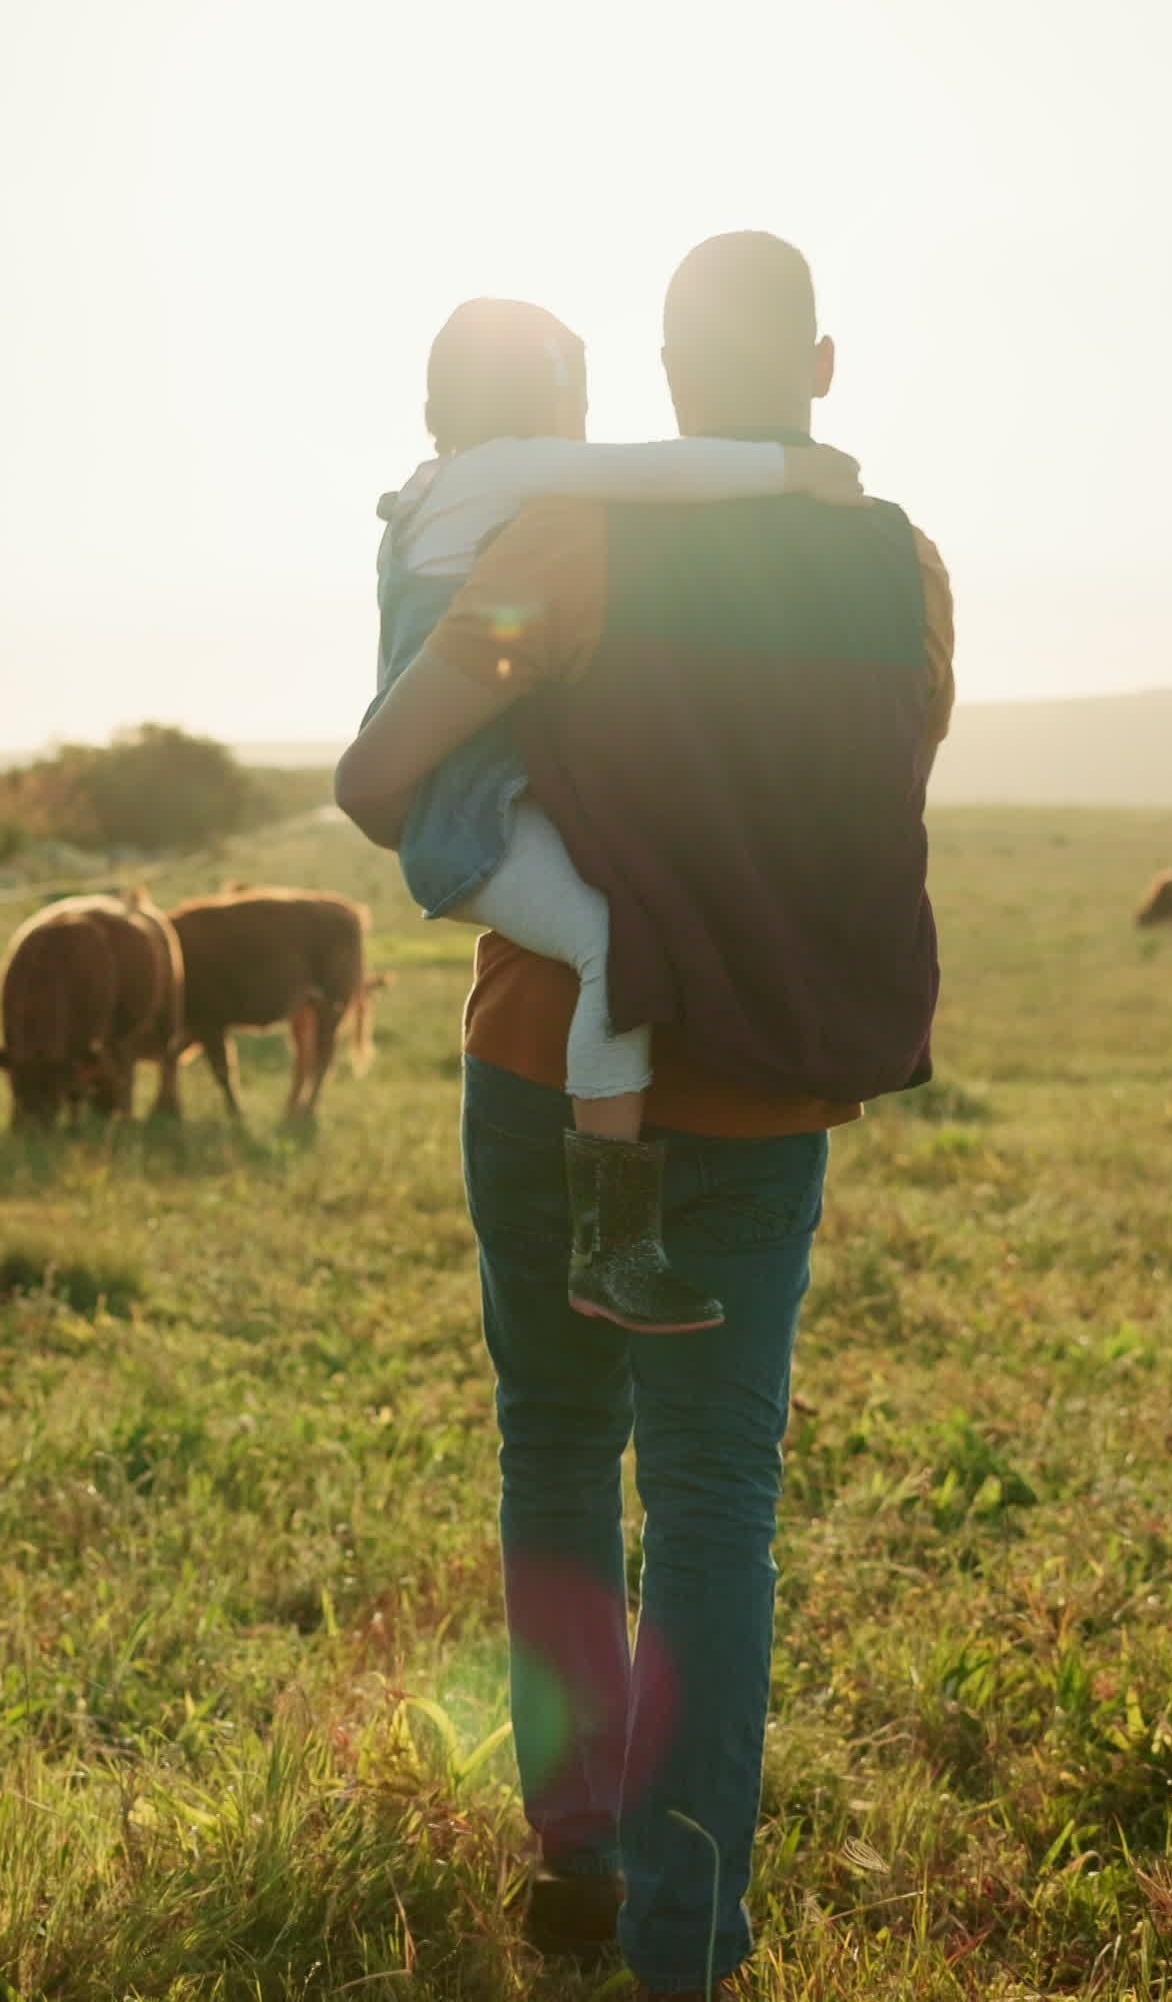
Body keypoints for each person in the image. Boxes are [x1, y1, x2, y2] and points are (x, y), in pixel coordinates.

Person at [337, 232, 952, 1999]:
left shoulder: (570, 536)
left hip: (546, 1069)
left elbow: (384, 779)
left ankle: (574, 1869)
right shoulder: (904, 570)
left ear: (660, 388)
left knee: (554, 1452)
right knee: (713, 1511)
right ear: (816, 371)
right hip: (766, 1088)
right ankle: (687, 1956)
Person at [369, 296, 862, 1333]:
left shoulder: (433, 490)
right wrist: (791, 473)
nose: (588, 424)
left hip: (483, 795)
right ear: (541, 401)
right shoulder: (506, 473)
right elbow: (658, 475)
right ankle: (615, 1245)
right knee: (613, 941)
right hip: (475, 809)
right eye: (578, 397)